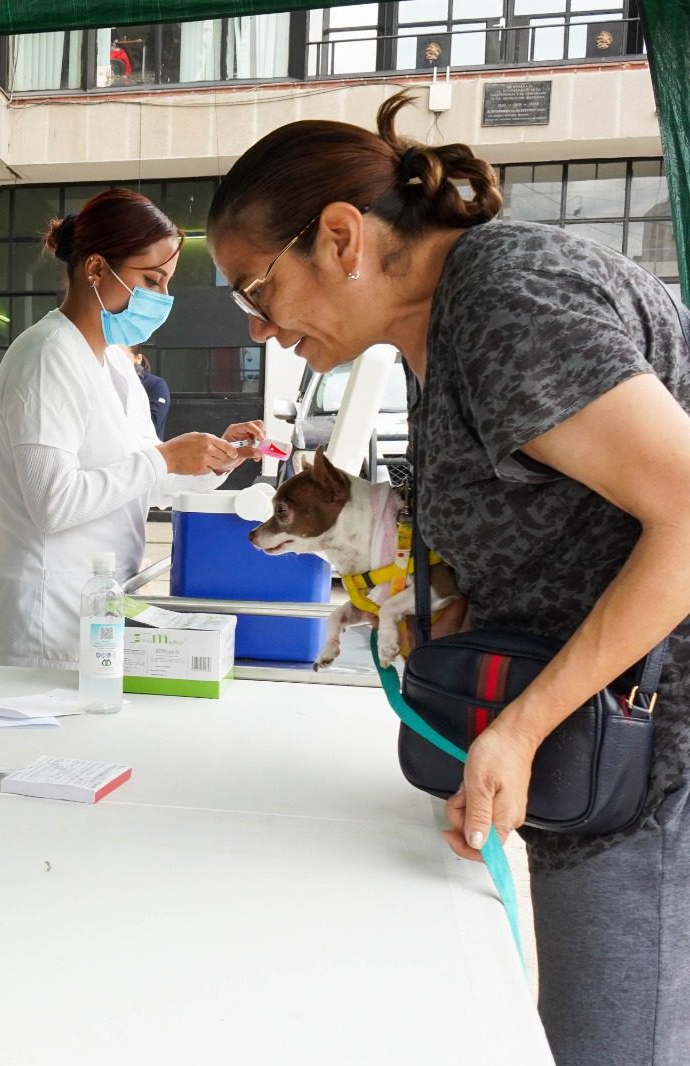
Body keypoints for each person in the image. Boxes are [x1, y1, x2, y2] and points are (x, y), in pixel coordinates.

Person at [207, 91, 690, 1065]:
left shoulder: (505, 300)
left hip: (656, 771)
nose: (259, 328)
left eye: (254, 290)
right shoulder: (441, 335)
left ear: (339, 237)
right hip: (600, 761)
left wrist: (518, 727)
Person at [0, 187, 263, 669]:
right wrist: (162, 458)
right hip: (46, 626)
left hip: (97, 614)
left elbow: (146, 481)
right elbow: (54, 503)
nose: (163, 298)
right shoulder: (47, 356)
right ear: (95, 269)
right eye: (152, 280)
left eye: (167, 283)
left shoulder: (115, 363)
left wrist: (216, 457)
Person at [122, 345, 172, 438]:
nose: (118, 362)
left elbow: (153, 423)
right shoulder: (106, 382)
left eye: (123, 358)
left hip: (145, 448)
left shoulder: (156, 384)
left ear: (138, 358)